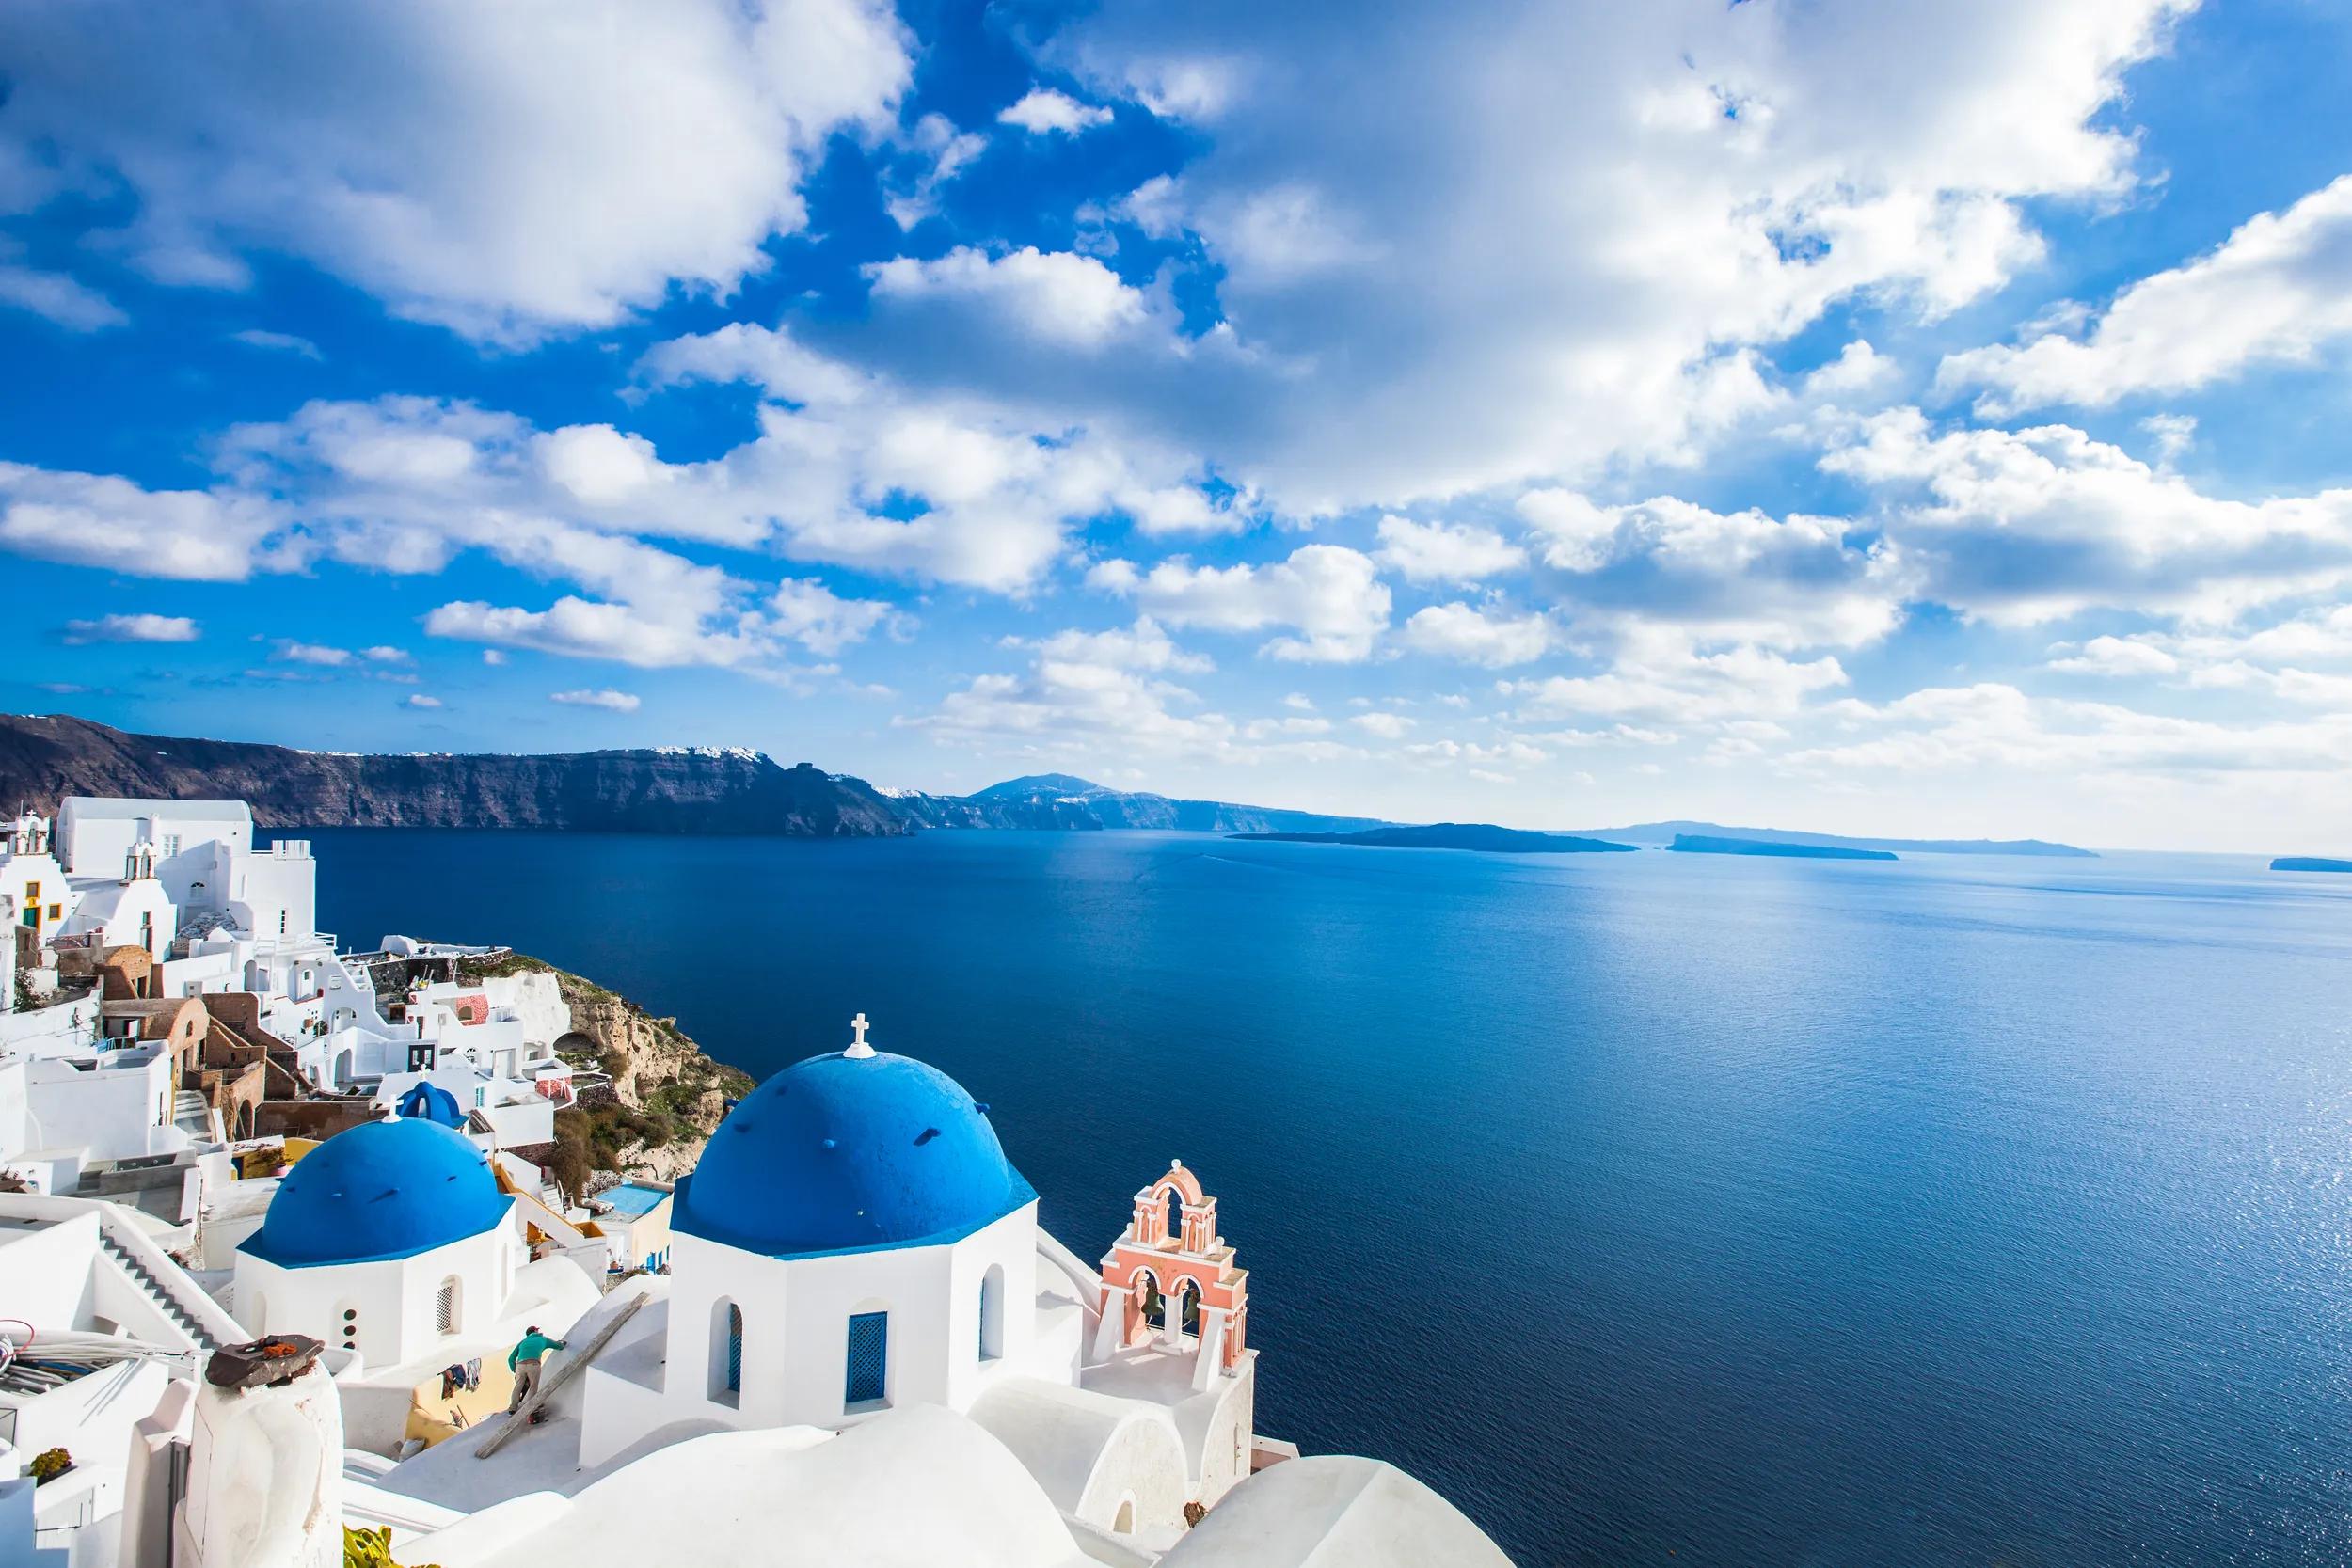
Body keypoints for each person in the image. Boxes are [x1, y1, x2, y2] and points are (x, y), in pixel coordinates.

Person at [506, 1324, 566, 1414]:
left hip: (520, 1365)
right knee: (533, 1386)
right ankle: (530, 1407)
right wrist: (562, 1344)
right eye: (537, 1330)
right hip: (533, 1364)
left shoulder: (523, 1342)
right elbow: (558, 1346)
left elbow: (510, 1358)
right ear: (535, 1331)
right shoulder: (543, 1339)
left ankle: (512, 1408)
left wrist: (514, 1369)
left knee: (518, 1386)